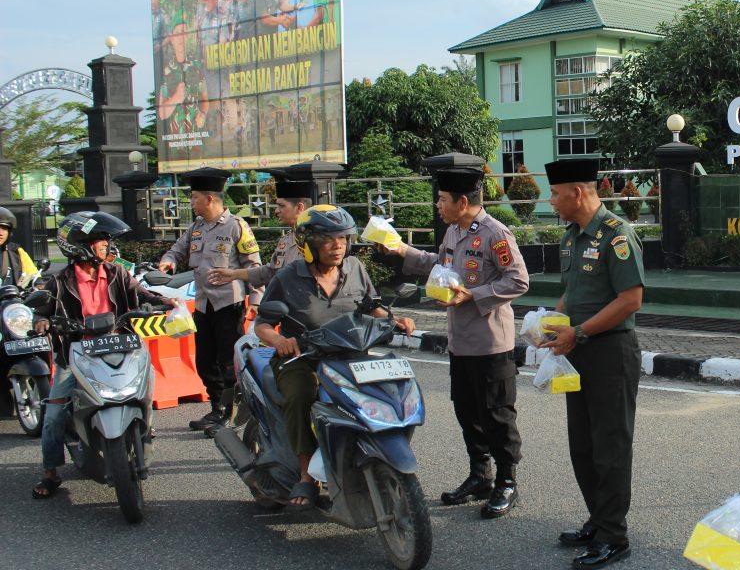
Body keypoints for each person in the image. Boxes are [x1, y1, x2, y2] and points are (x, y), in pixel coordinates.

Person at [378, 168, 529, 518]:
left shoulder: (495, 234)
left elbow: (518, 280)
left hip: (490, 342)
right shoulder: (454, 230)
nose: (438, 205)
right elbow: (438, 264)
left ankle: (507, 481)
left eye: (442, 199)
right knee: (467, 411)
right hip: (460, 342)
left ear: (462, 201)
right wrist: (401, 250)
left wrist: (471, 296)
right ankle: (480, 476)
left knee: (497, 414)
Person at [254, 205, 414, 508]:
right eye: (328, 239)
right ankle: (306, 474)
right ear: (309, 244)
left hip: (350, 355)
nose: (337, 245)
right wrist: (279, 340)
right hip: (303, 358)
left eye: (342, 238)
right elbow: (261, 323)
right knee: (301, 393)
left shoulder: (354, 268)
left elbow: (371, 306)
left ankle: (371, 448)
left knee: (388, 389)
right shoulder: (288, 277)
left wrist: (394, 319)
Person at [541, 158, 644, 570]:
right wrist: (552, 320)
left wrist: (579, 333)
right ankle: (598, 521)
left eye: (554, 193)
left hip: (610, 353)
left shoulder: (617, 235)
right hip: (577, 351)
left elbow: (630, 299)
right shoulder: (571, 237)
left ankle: (614, 536)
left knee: (610, 449)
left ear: (577, 193)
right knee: (582, 447)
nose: (551, 200)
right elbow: (572, 293)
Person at [31, 212, 177, 499]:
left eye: (107, 241)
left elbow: (142, 293)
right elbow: (42, 309)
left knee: (144, 390)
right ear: (80, 245)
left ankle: (145, 429)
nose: (107, 246)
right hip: (76, 352)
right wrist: (41, 321)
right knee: (54, 413)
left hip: (120, 345)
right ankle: (50, 472)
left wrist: (164, 302)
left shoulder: (117, 273)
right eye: (101, 240)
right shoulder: (59, 281)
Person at [158, 168, 263, 433]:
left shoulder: (237, 226)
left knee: (228, 361)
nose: (191, 203)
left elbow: (254, 265)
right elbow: (177, 249)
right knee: (205, 361)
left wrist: (256, 301)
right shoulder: (196, 227)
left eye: (194, 198)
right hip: (204, 304)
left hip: (230, 303)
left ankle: (232, 411)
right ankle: (217, 407)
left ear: (210, 199)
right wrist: (169, 260)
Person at [208, 180, 311, 290]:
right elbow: (270, 271)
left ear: (299, 208)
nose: (276, 211)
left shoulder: (317, 239)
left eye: (281, 206)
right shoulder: (286, 240)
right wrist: (234, 274)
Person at [0, 206, 39, 288]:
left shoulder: (17, 252)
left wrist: (37, 284)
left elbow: (32, 276)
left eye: (4, 228)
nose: (1, 233)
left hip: (12, 299)